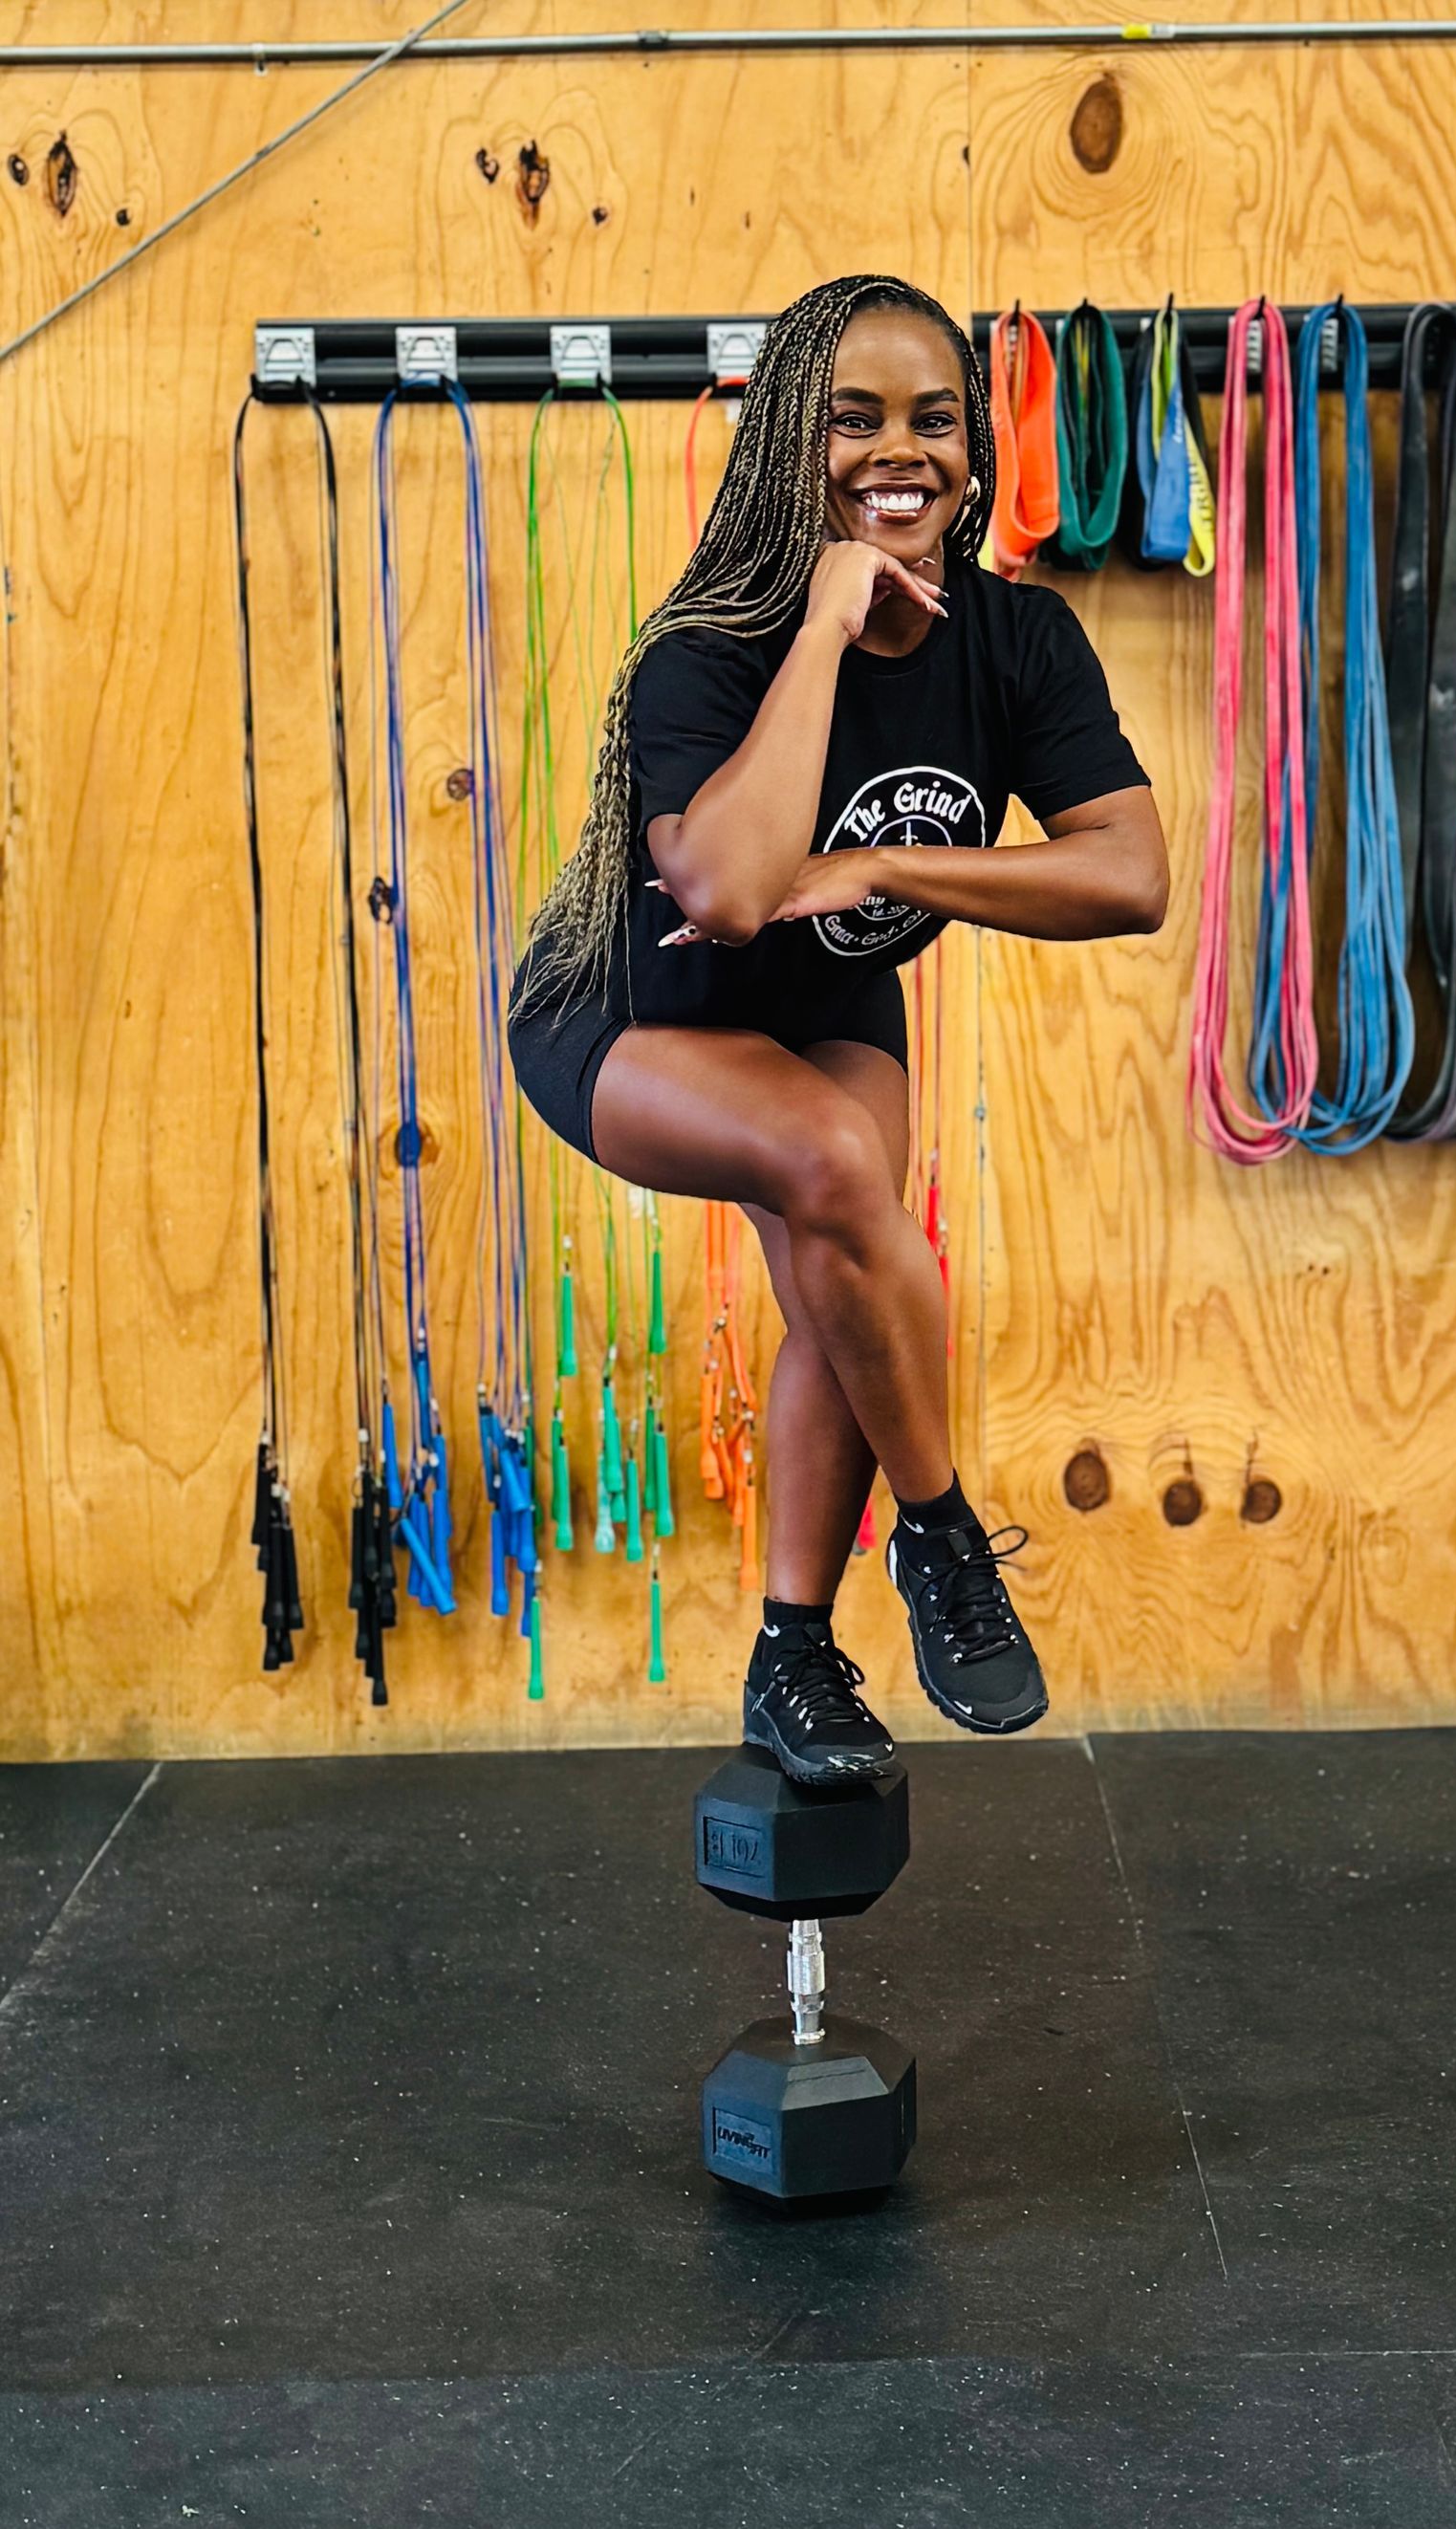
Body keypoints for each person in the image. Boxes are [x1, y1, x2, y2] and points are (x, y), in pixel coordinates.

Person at [509, 273, 1166, 1786]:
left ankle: (792, 1658)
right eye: (855, 419)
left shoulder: (1017, 642)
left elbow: (1127, 874)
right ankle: (942, 1534)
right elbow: (731, 891)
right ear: (796, 442)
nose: (902, 451)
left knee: (846, 1269)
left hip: (834, 1002)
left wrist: (876, 865)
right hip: (629, 1014)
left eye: (935, 419)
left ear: (975, 445)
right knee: (831, 1163)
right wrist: (819, 625)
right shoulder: (710, 644)